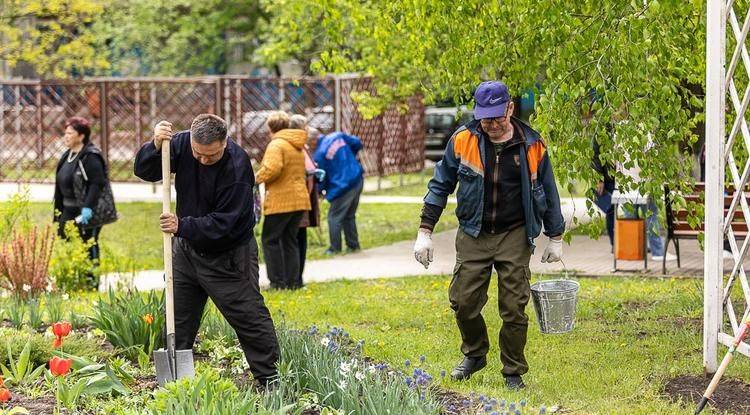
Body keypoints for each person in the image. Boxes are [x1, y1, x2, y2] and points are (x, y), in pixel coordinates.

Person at [413, 80, 565, 390]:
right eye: (485, 117)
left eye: (497, 116)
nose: (491, 124)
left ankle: (512, 371)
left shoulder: (533, 144)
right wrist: (425, 231)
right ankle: (475, 353)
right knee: (463, 302)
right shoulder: (462, 141)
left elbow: (548, 190)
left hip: (515, 233)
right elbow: (440, 185)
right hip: (473, 232)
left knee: (513, 308)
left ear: (510, 108)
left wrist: (556, 236)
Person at [134, 114, 279, 387]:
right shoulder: (179, 144)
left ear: (224, 143)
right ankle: (176, 383)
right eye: (198, 153)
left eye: (210, 156)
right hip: (186, 251)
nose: (202, 160)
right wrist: (154, 146)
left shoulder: (237, 168)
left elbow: (225, 224)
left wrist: (182, 225)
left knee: (248, 315)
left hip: (228, 254)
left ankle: (270, 379)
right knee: (178, 316)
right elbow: (145, 171)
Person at [53, 116, 117, 289]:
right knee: (65, 240)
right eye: (65, 133)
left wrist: (87, 208)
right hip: (68, 209)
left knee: (88, 243)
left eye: (70, 133)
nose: (65, 136)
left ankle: (91, 283)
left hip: (87, 210)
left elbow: (97, 183)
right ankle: (71, 280)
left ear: (81, 136)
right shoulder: (68, 155)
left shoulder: (90, 157)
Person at [256, 112, 311, 289]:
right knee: (290, 240)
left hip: (282, 201)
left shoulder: (277, 144)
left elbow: (273, 168)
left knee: (269, 240)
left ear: (270, 128)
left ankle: (277, 282)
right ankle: (293, 282)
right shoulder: (295, 144)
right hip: (300, 199)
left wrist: (254, 178)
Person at [313, 130, 364, 254]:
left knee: (333, 217)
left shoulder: (319, 154)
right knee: (349, 215)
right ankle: (353, 245)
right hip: (357, 179)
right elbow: (357, 143)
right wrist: (351, 157)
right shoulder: (337, 136)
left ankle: (334, 248)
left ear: (313, 141)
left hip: (341, 186)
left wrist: (320, 191)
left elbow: (322, 177)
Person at [289, 115, 324, 288]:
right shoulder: (299, 147)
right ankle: (296, 279)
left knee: (298, 239)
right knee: (298, 240)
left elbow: (309, 171)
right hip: (302, 199)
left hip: (302, 199)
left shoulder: (300, 147)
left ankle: (296, 279)